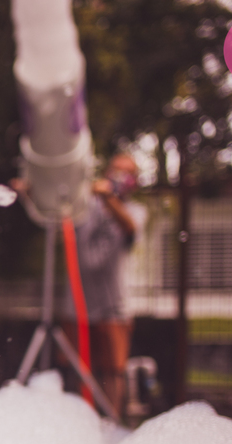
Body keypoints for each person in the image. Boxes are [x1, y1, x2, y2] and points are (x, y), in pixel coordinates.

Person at [63, 153, 141, 418]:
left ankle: (112, 424)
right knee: (79, 367)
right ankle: (81, 424)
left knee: (113, 370)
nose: (119, 177)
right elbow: (55, 216)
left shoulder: (137, 211)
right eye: (115, 170)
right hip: (77, 304)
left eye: (126, 172)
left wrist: (108, 197)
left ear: (135, 181)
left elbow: (129, 227)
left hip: (114, 308)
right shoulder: (85, 206)